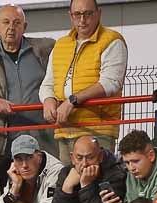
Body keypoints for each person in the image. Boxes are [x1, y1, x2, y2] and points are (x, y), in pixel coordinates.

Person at [0, 4, 57, 185]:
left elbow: (62, 79)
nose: (11, 27)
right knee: (14, 194)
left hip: (47, 139)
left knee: (53, 188)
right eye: (6, 22)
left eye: (17, 23)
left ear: (25, 26)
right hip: (7, 142)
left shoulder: (46, 48)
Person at [41, 0, 128, 158]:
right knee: (68, 181)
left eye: (88, 14)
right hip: (64, 130)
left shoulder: (112, 41)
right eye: (77, 14)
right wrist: (47, 100)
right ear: (70, 16)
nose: (82, 20)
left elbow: (111, 83)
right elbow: (48, 83)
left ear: (98, 13)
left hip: (97, 130)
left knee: (96, 178)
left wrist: (72, 100)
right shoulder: (61, 45)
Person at [48, 135, 127, 203]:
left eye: (90, 158)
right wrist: (66, 188)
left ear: (100, 157)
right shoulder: (66, 173)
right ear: (72, 158)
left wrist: (86, 185)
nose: (84, 164)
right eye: (79, 158)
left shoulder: (114, 173)